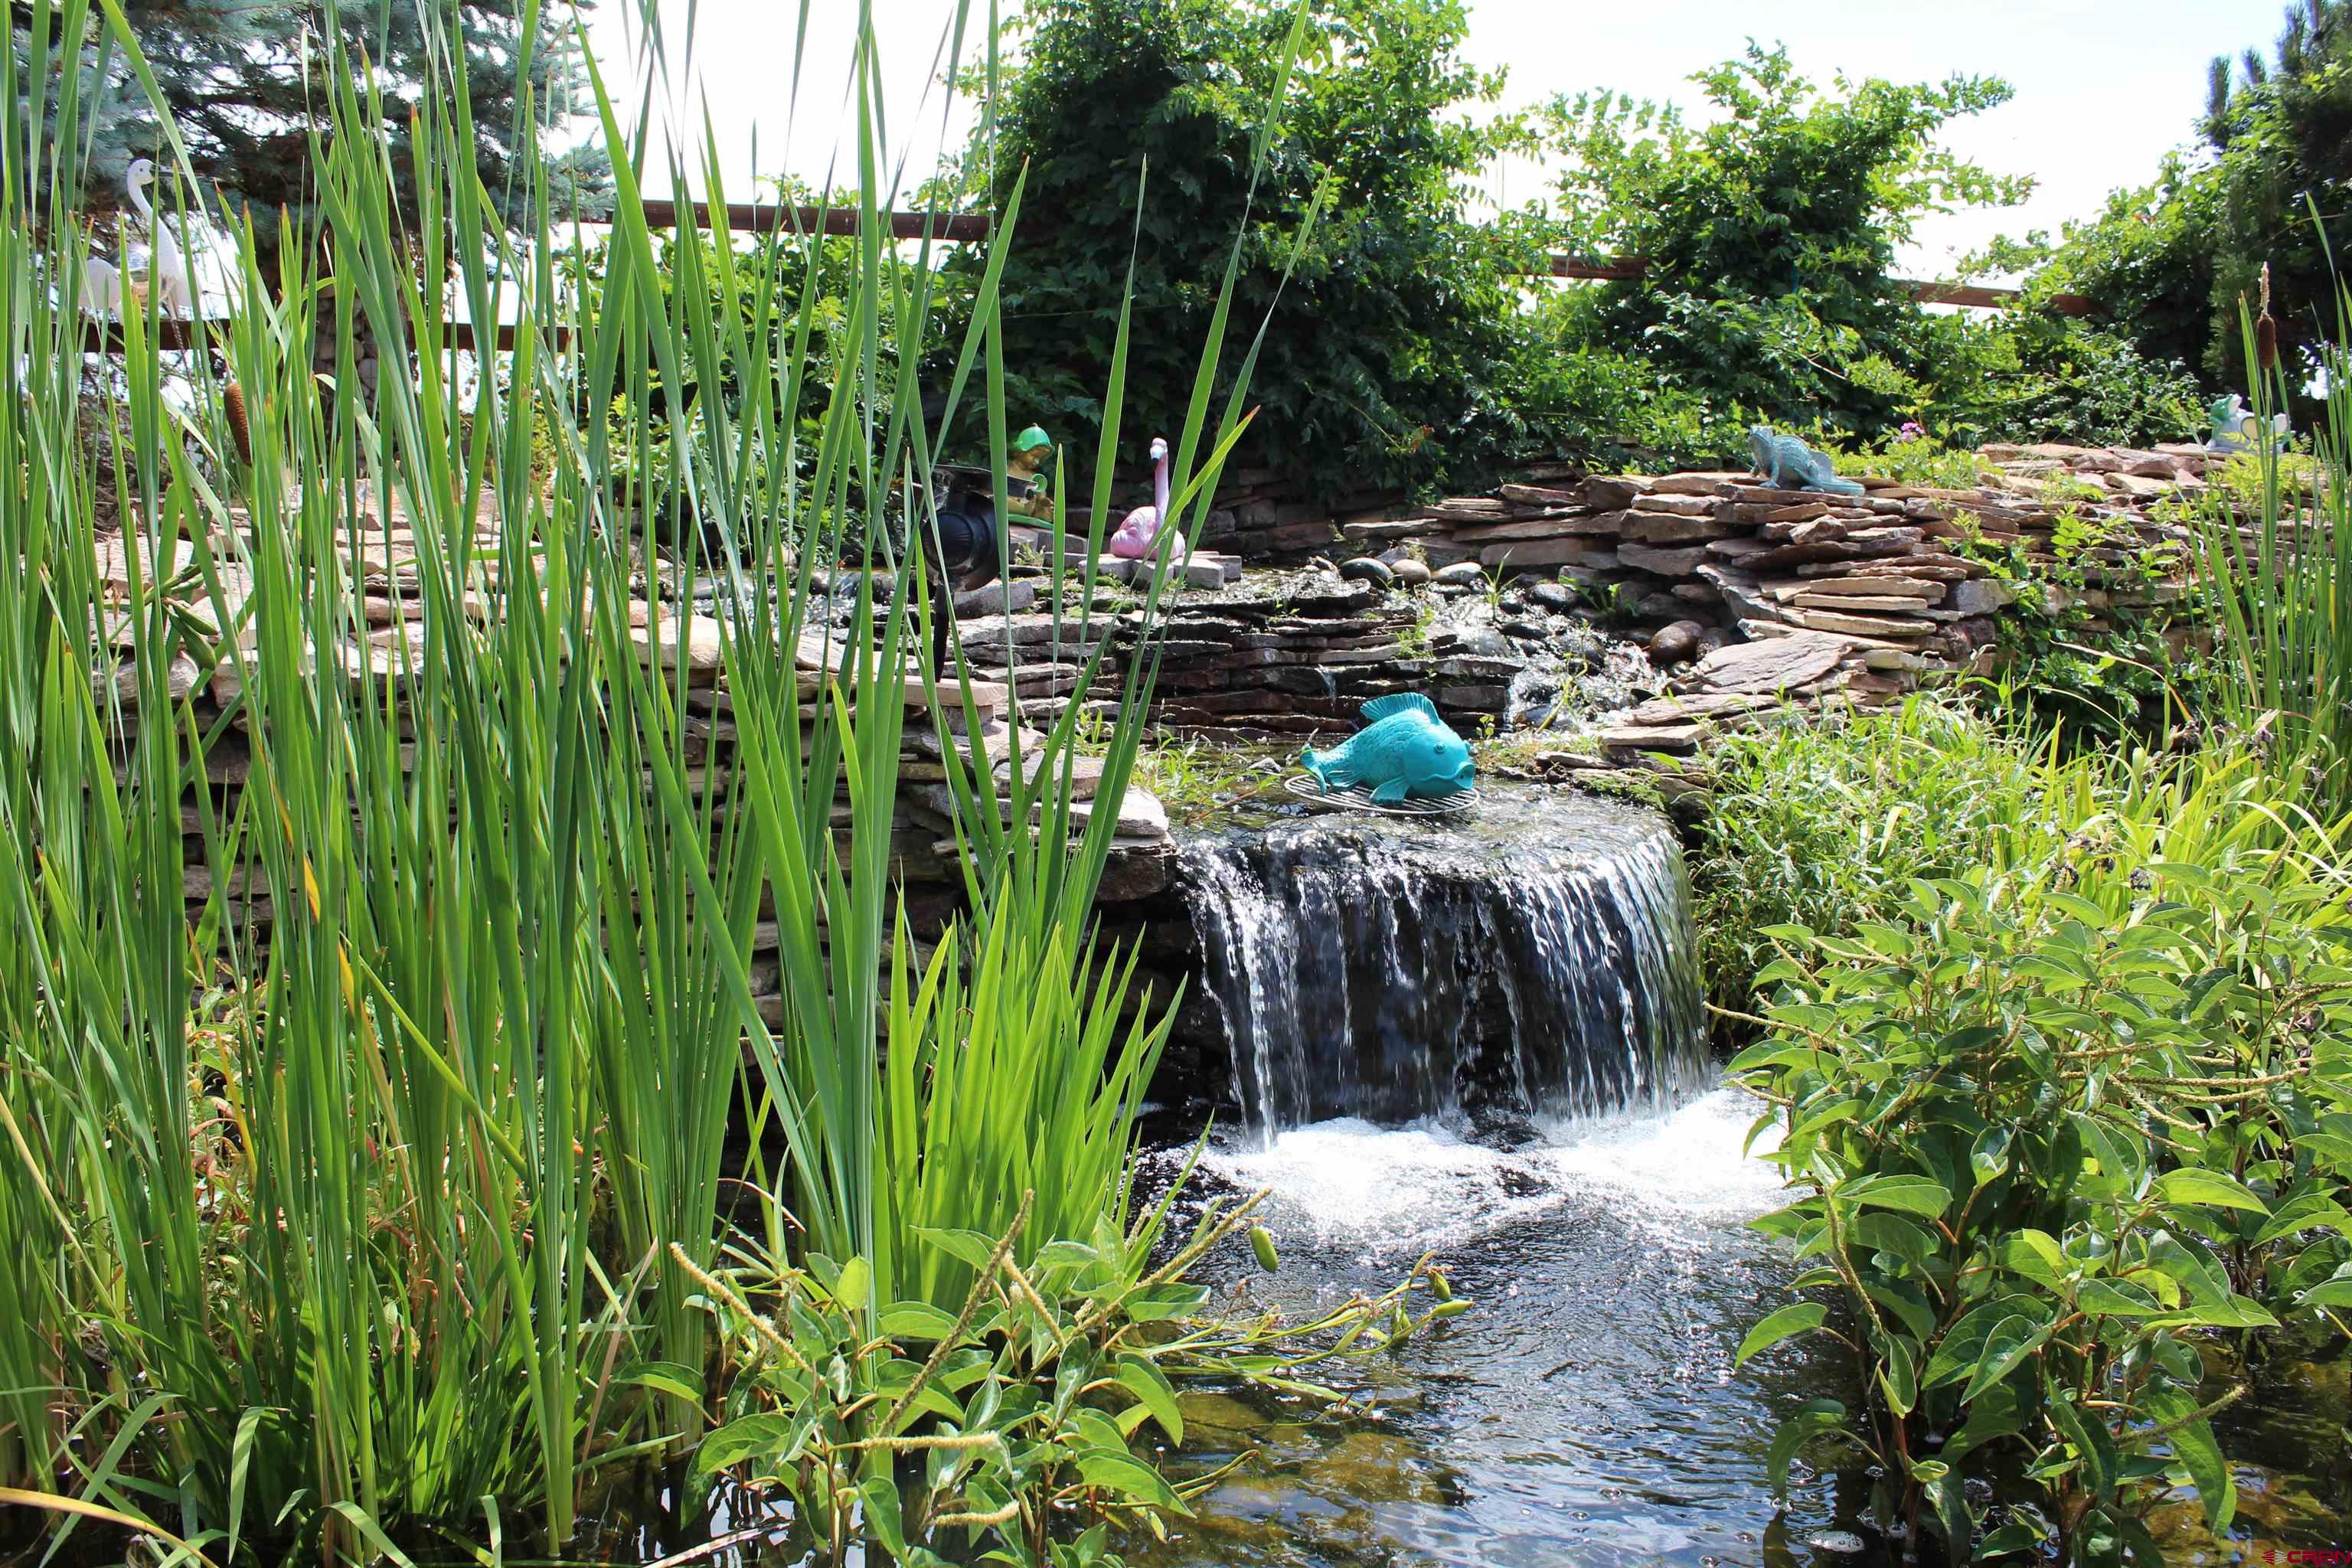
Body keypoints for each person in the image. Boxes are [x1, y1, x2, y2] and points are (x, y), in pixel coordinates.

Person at [923, 425, 1055, 671]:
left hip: (976, 542)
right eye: (1033, 453)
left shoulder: (1034, 481)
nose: (1037, 461)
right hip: (963, 547)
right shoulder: (1008, 471)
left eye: (1041, 457)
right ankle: (935, 672)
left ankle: (935, 671)